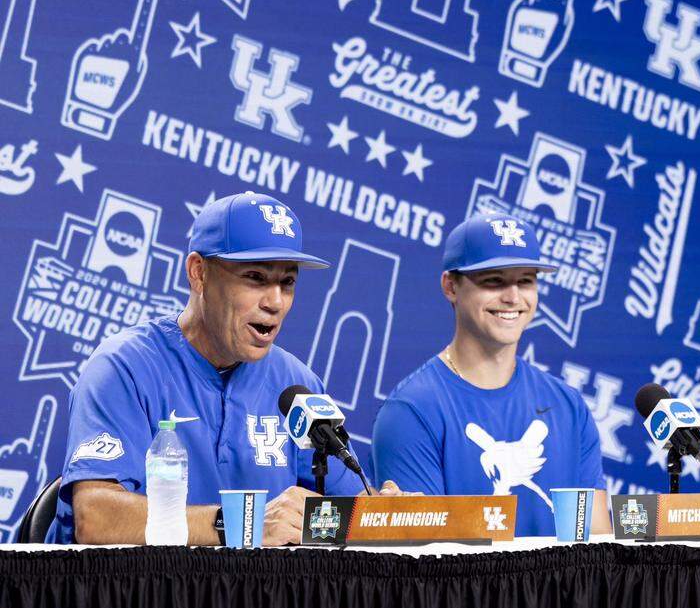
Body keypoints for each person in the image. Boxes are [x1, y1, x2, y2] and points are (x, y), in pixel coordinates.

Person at [47, 192, 401, 545]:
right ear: (199, 274)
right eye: (255, 277)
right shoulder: (124, 368)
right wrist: (243, 524)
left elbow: (348, 514)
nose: (275, 302)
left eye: (287, 282)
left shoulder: (298, 384)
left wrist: (384, 517)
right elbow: (95, 518)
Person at [371, 213, 610, 536]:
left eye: (525, 280)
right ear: (450, 287)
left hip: (566, 588)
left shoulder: (568, 406)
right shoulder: (411, 411)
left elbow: (595, 542)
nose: (512, 297)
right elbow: (425, 561)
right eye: (493, 280)